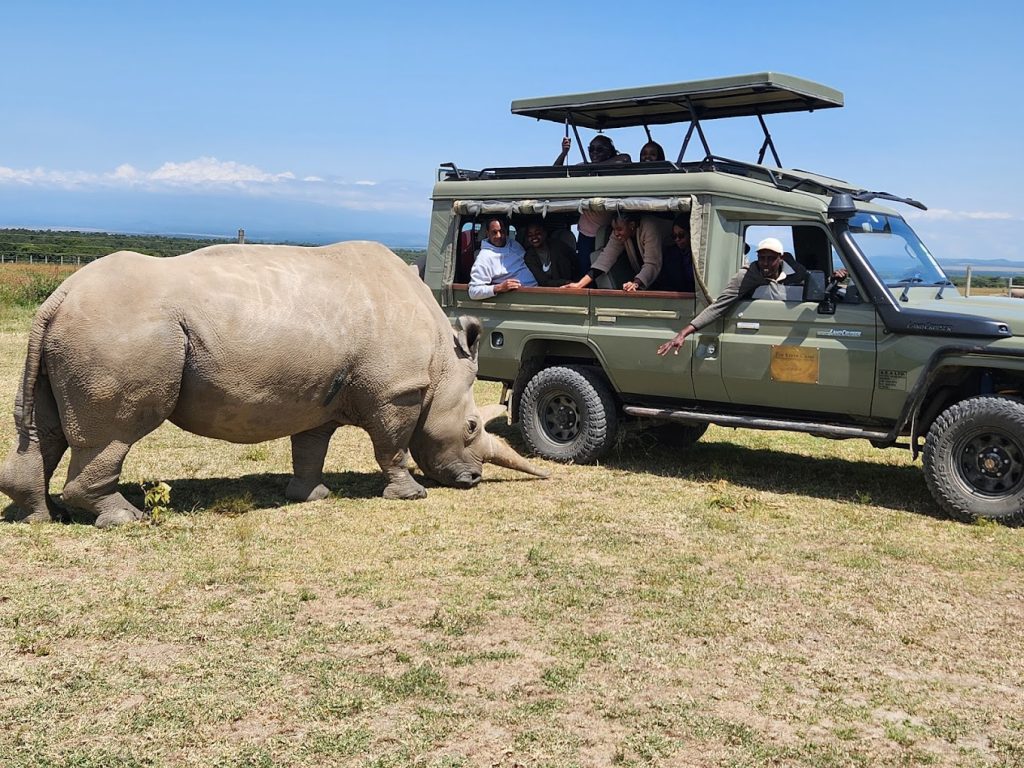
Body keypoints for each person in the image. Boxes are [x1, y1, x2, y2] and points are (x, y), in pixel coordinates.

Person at [657, 237, 809, 355]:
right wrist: (683, 333)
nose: (765, 263)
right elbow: (719, 306)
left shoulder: (796, 272)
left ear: (780, 258)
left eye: (771, 258)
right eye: (762, 258)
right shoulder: (747, 275)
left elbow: (811, 285)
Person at [554, 134, 632, 277]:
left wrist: (591, 168)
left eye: (600, 149)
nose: (594, 153)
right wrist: (564, 153)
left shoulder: (612, 169)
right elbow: (555, 174)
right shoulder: (584, 170)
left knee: (608, 272)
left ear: (610, 152)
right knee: (585, 271)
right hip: (586, 235)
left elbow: (625, 159)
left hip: (609, 233)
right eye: (591, 149)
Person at [561, 212, 670, 292]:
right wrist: (579, 284)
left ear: (632, 225)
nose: (616, 233)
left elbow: (652, 264)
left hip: (668, 271)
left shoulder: (649, 227)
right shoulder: (620, 233)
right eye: (614, 229)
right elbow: (606, 258)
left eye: (619, 229)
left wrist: (635, 283)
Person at [468, 217, 537, 300]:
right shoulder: (484, 257)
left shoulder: (513, 244)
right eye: (494, 232)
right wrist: (499, 287)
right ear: (487, 234)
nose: (499, 236)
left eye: (502, 231)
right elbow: (473, 291)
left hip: (537, 290)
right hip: (520, 298)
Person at [650, 214, 695, 292]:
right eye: (674, 236)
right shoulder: (670, 254)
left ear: (690, 233)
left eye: (681, 235)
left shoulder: (698, 254)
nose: (677, 239)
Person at [523, 222, 575, 287]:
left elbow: (575, 263)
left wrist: (575, 283)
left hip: (571, 287)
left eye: (537, 233)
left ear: (545, 233)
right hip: (546, 290)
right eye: (530, 235)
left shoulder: (559, 246)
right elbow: (543, 281)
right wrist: (565, 282)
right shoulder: (529, 257)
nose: (534, 237)